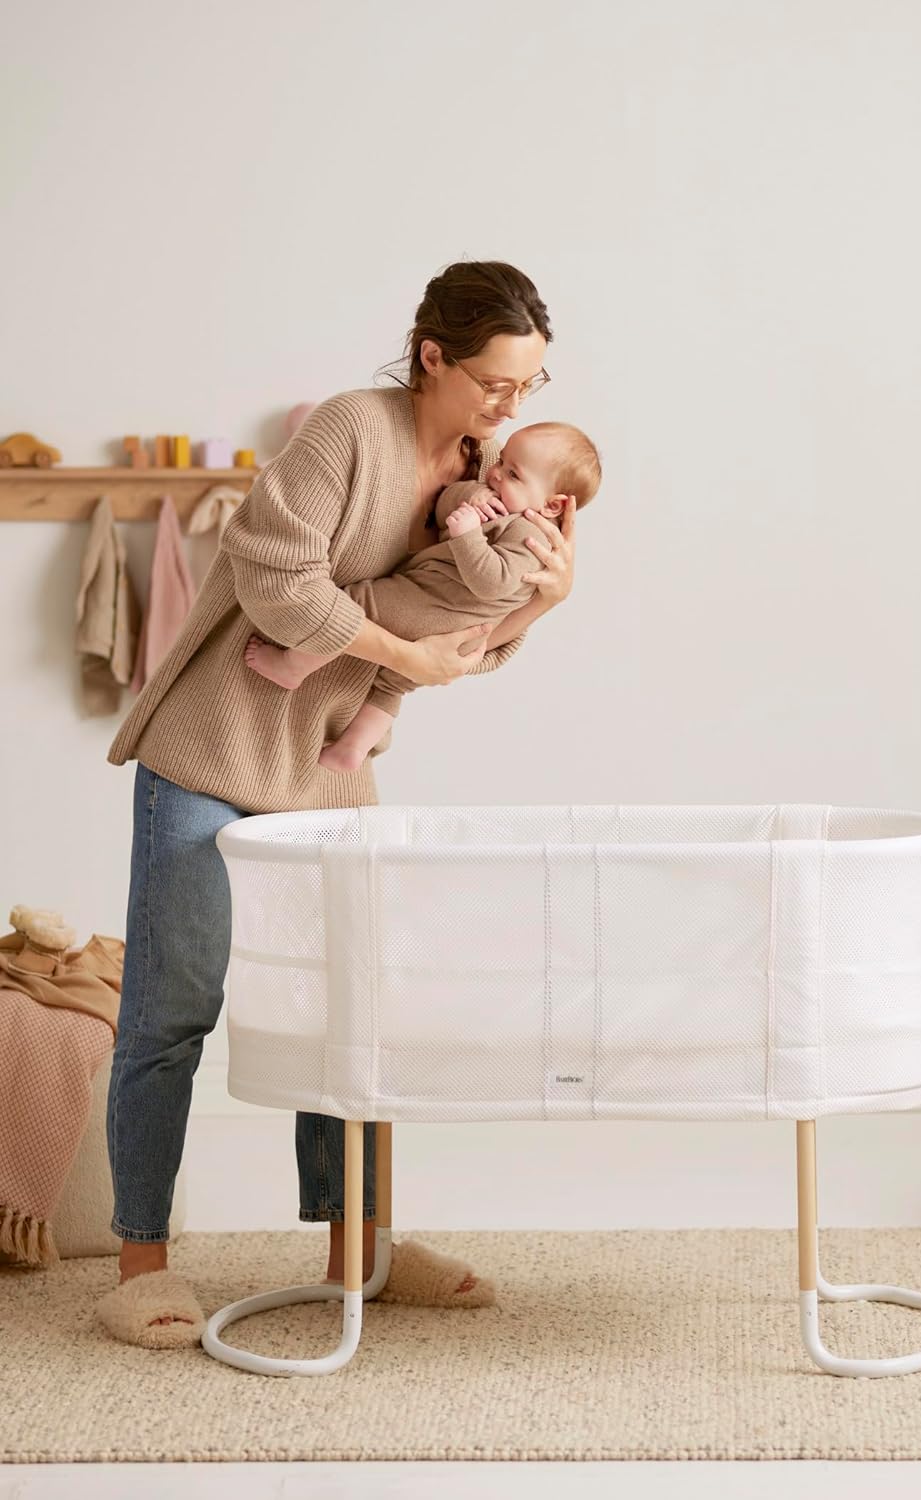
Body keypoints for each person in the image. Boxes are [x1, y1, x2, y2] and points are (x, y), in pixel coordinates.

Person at [96, 260, 577, 1349]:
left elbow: (465, 637)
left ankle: (360, 1250)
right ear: (433, 357)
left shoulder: (483, 468)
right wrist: (401, 647)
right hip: (214, 751)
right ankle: (140, 1262)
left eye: (532, 386)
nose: (513, 409)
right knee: (172, 1011)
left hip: (328, 770)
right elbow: (277, 583)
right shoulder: (346, 435)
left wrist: (544, 603)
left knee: (351, 1016)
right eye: (499, 383)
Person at [242, 420, 601, 773]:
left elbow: (492, 582)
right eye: (501, 461)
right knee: (392, 683)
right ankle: (353, 748)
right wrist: (470, 496)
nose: (495, 474)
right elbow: (445, 510)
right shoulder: (499, 500)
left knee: (356, 604)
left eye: (513, 475)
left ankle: (292, 666)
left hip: (435, 610)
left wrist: (468, 536)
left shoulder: (530, 536)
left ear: (552, 506)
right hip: (452, 633)